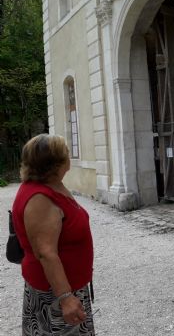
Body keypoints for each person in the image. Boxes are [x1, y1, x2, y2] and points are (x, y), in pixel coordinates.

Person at [12, 134, 95, 335]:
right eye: (66, 152)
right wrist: (66, 298)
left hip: (65, 286)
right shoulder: (40, 198)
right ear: (55, 163)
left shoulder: (51, 185)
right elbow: (46, 253)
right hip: (55, 294)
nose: (69, 155)